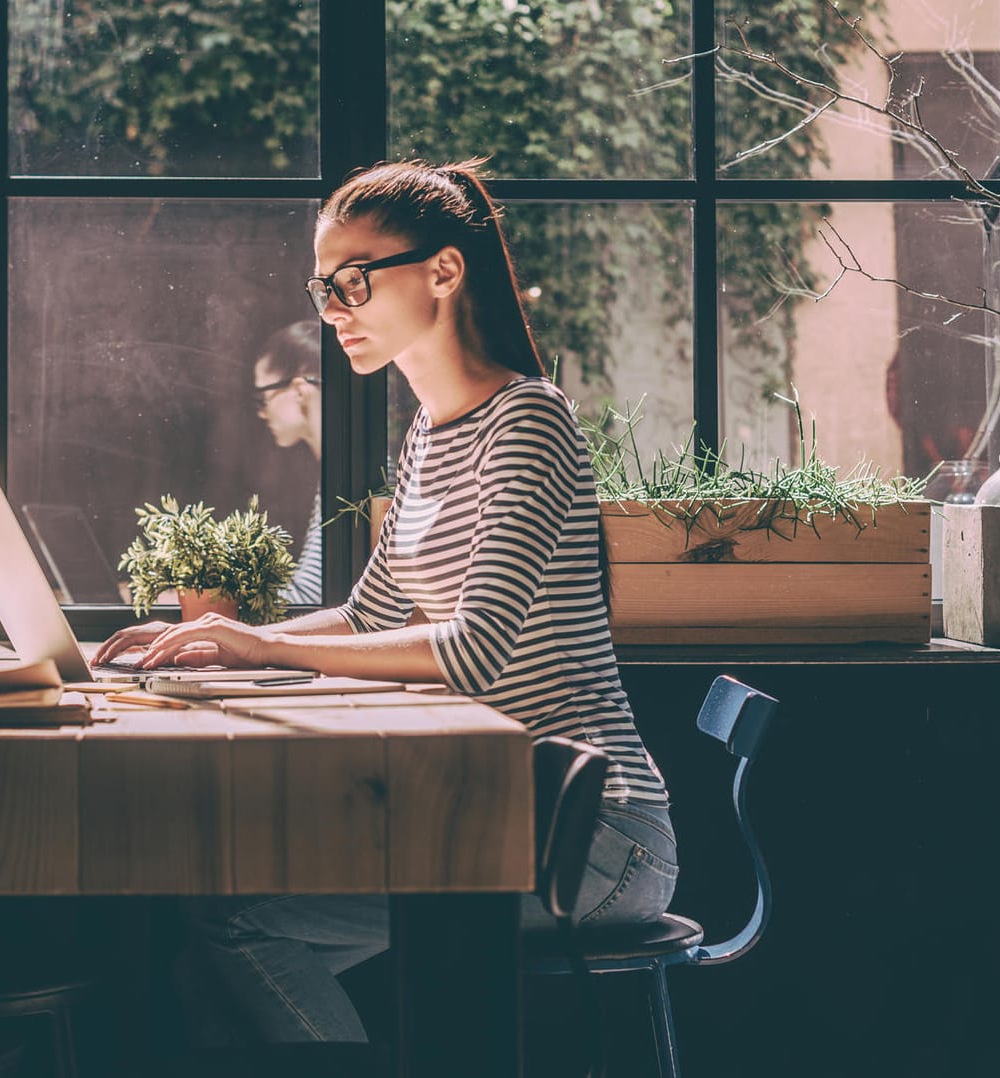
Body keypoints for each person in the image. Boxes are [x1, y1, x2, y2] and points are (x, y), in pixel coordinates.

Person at [95, 158, 675, 1044]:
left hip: (594, 837)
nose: (332, 309)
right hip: (493, 811)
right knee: (198, 953)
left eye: (353, 281)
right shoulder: (428, 435)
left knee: (237, 924)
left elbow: (473, 649)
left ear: (443, 272)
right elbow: (370, 614)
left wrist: (266, 650)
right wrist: (222, 636)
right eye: (323, 285)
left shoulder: (529, 419)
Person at [251, 321, 324, 606]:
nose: (262, 413)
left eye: (263, 397)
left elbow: (311, 599)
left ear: (298, 390)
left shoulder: (349, 480)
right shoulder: (337, 474)